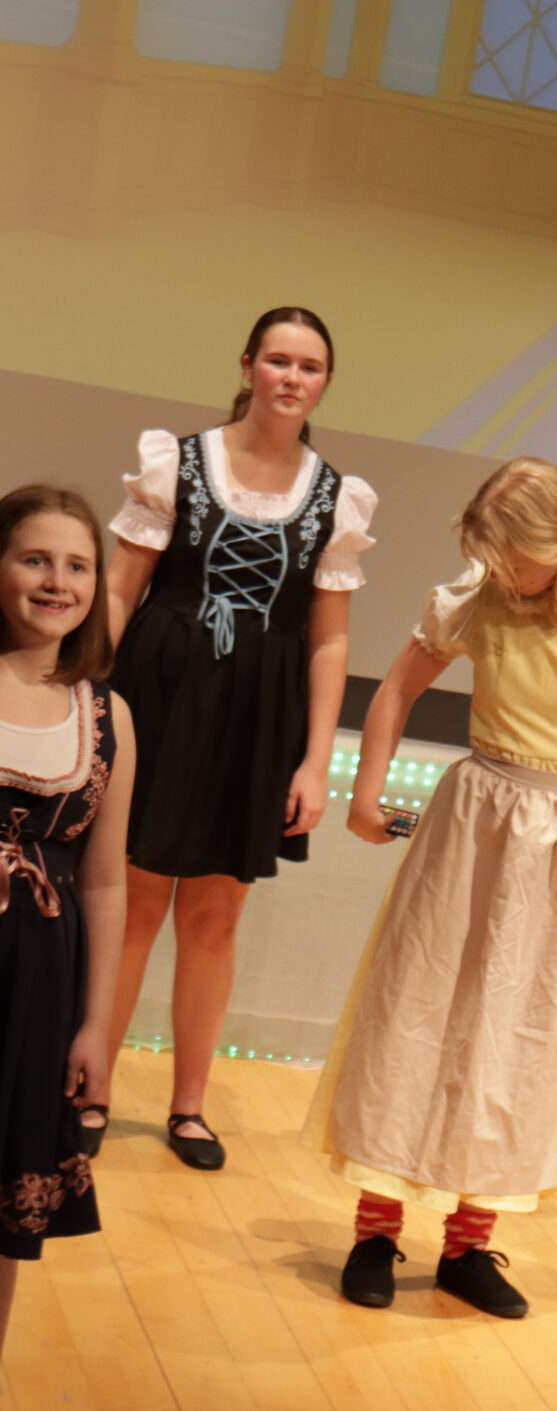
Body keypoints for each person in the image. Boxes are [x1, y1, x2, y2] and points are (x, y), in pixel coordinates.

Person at [305, 458, 557, 1319]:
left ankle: (468, 1243)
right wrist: (366, 793)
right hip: (471, 822)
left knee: (523, 1029)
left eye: (514, 554)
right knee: (418, 1007)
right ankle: (376, 1228)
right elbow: (396, 689)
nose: (503, 571)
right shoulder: (479, 598)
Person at [99, 308, 377, 1169]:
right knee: (134, 904)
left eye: (310, 366)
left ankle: (188, 1106)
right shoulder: (176, 463)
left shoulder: (337, 497)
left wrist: (316, 760)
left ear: (325, 383)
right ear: (250, 364)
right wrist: (87, 702)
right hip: (158, 696)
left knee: (215, 916)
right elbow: (120, 589)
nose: (292, 377)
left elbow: (329, 640)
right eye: (279, 360)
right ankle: (89, 1087)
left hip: (258, 717)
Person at [0, 485, 134, 1411]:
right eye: (35, 559)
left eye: (77, 565)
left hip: (34, 990)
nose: (58, 582)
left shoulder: (108, 717)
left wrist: (96, 1025)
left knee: (0, 1214)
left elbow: (105, 881)